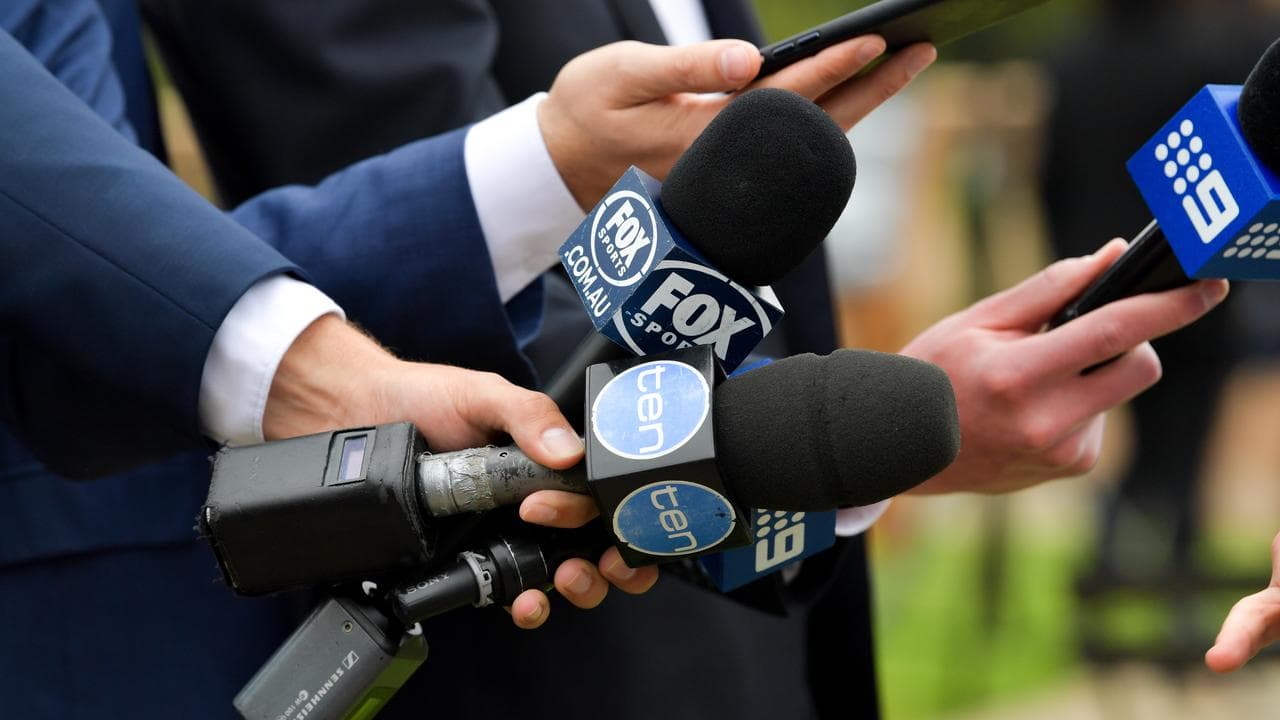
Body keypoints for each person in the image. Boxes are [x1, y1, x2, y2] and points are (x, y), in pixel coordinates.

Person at [137, 2, 1230, 719]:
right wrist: (841, 445)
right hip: (556, 665)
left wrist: (853, 429)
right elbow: (426, 278)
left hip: (761, 658)